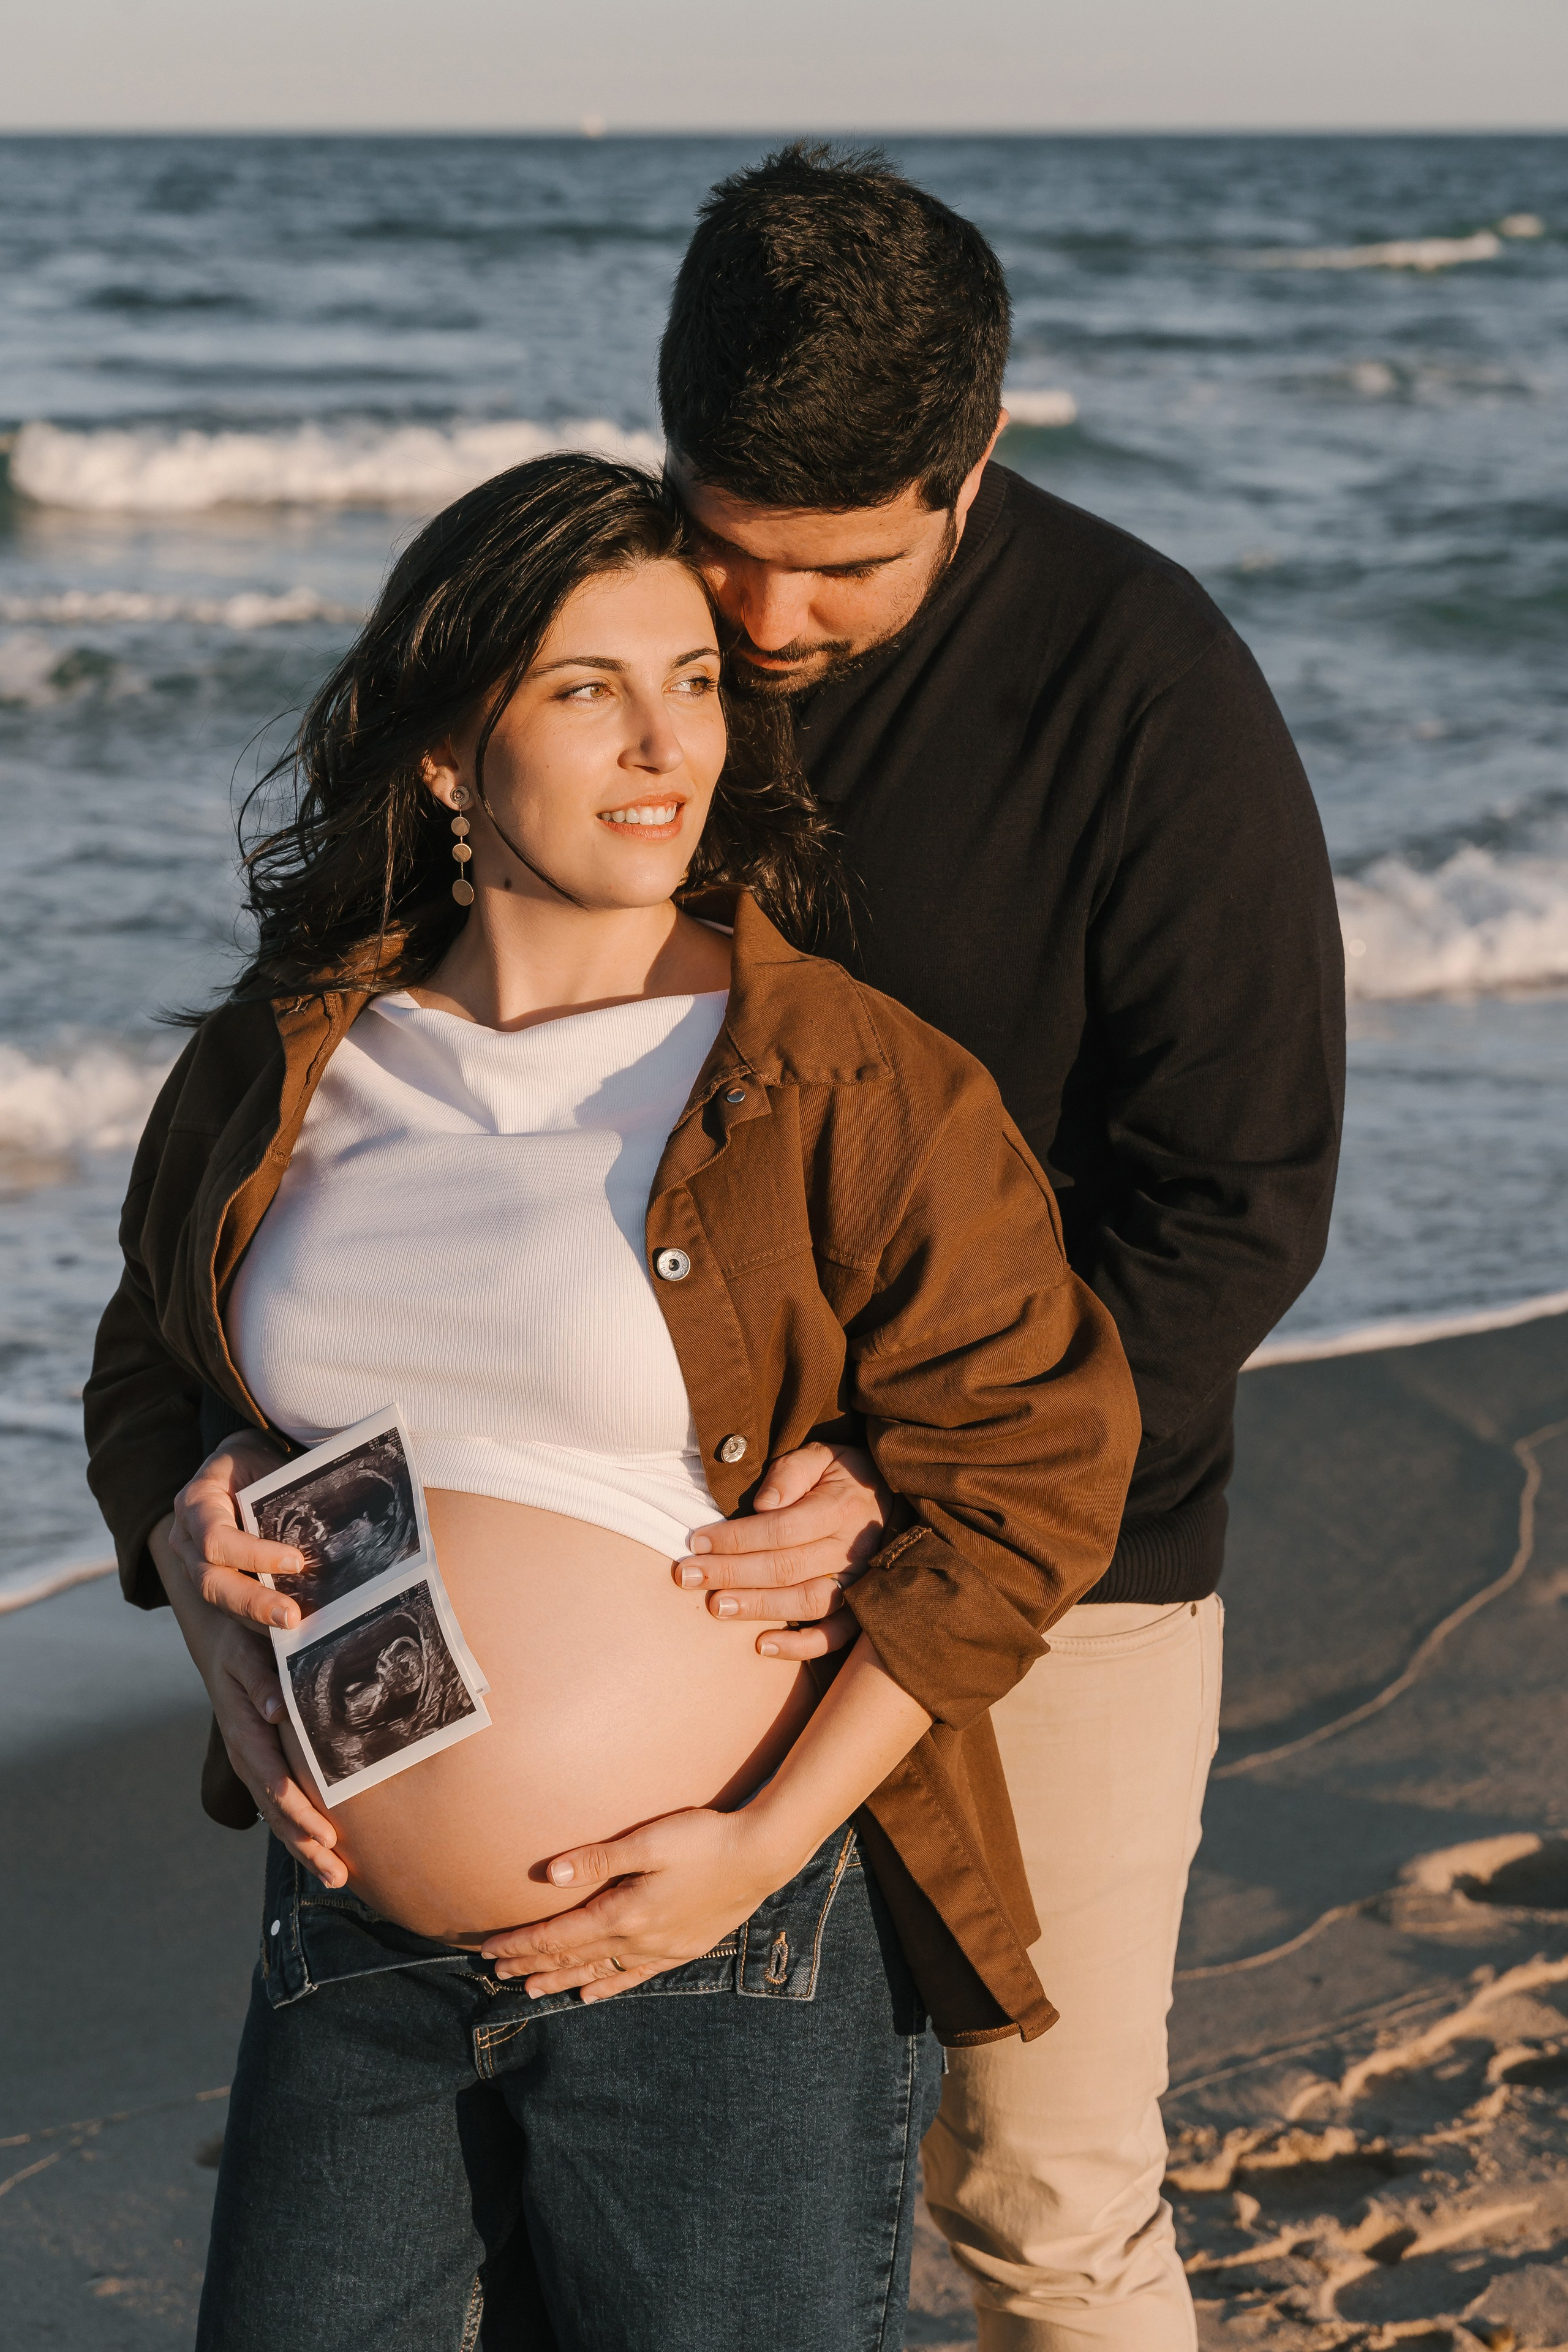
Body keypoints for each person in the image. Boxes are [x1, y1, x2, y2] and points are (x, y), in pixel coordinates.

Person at [83, 453, 1140, 2351]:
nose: (667, 745)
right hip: (348, 1939)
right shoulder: (295, 1055)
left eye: (696, 683)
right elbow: (147, 1369)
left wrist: (757, 1843)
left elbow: (1039, 1464)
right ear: (444, 754)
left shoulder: (841, 1080)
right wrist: (186, 1535)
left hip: (721, 1942)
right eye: (588, 689)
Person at [648, 148, 1346, 2350]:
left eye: (840, 571)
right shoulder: (604, 635)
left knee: (1038, 2195)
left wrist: (926, 1480)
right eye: (727, 545)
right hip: (660, 1538)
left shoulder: (1150, 692)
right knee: (665, 2188)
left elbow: (1235, 1204)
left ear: (977, 465)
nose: (762, 631)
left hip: (1068, 1569)